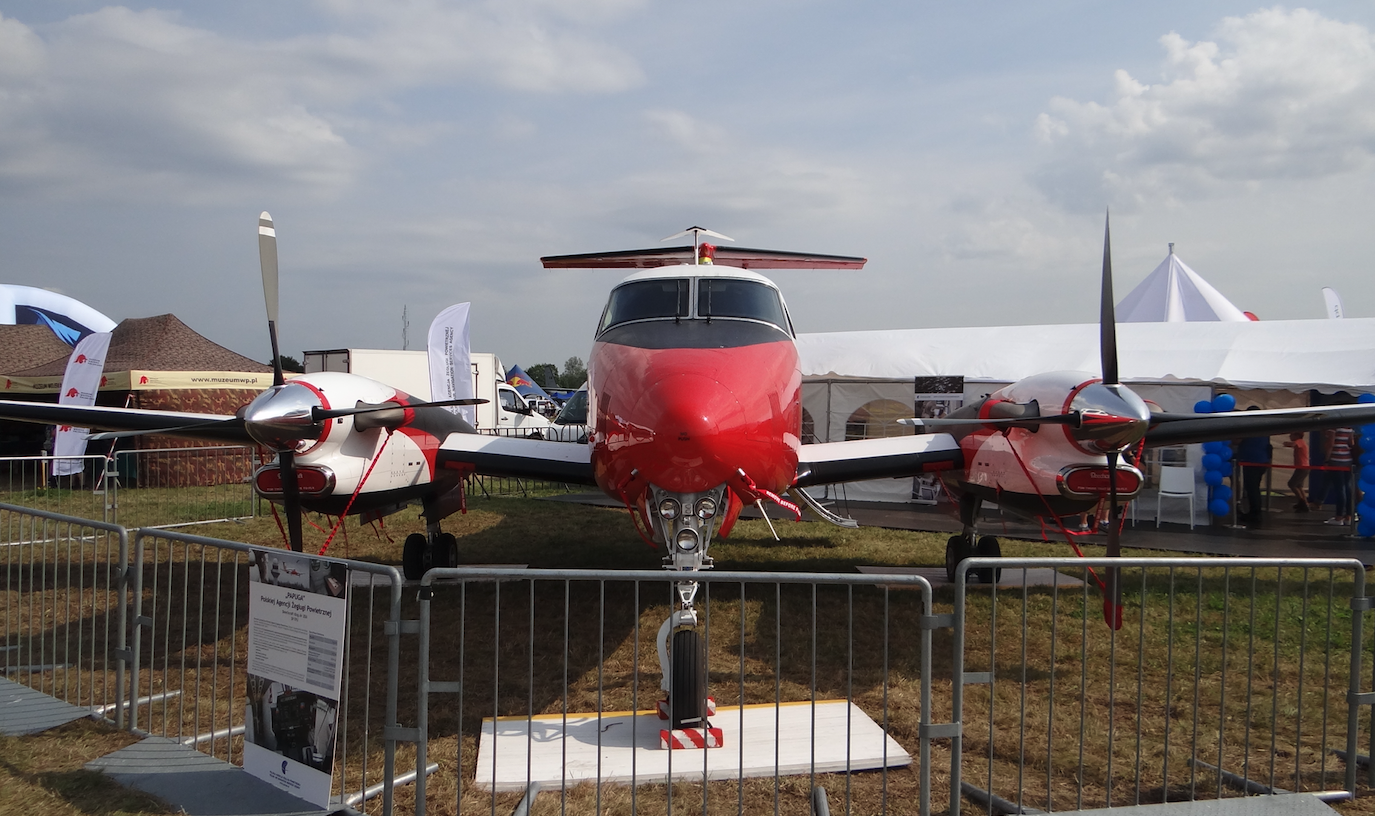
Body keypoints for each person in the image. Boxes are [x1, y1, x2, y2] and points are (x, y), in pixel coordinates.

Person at [1237, 408, 1272, 526]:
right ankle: (1254, 512)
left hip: (1251, 460)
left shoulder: (1249, 425)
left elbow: (1238, 439)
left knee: (1252, 488)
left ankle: (1255, 514)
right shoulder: (1265, 426)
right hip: (1262, 460)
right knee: (1254, 488)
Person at [1323, 426, 1355, 526]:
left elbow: (1330, 444)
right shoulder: (1349, 428)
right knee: (1347, 487)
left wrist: (1326, 460)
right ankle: (1349, 516)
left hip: (1336, 460)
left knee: (1339, 489)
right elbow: (1351, 443)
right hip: (1347, 460)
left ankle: (1338, 517)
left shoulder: (1334, 428)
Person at [1282, 432, 1310, 512]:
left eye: (1292, 434)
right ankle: (1305, 502)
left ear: (1297, 436)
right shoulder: (1301, 442)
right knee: (1299, 486)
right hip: (1303, 467)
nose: (1290, 436)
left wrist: (1287, 444)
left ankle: (1302, 502)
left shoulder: (1300, 441)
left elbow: (1294, 444)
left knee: (1292, 484)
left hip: (1302, 467)